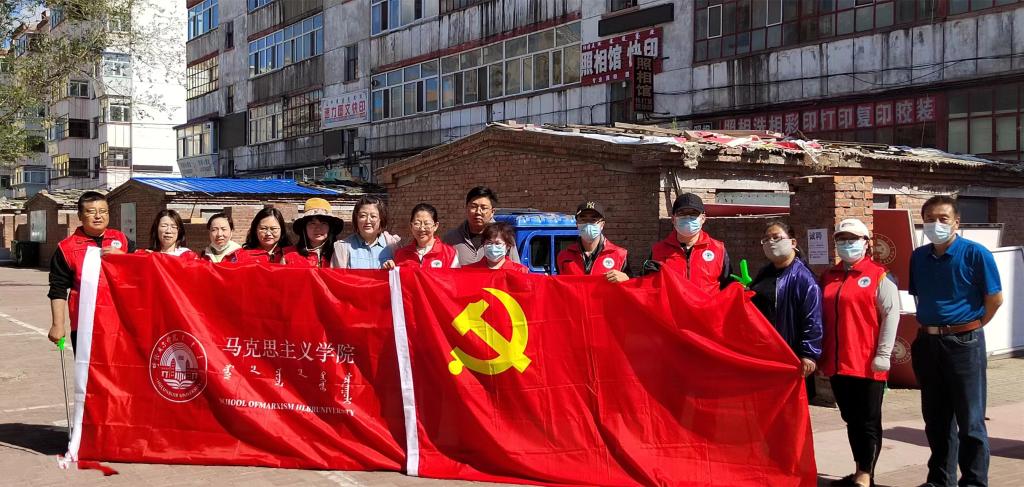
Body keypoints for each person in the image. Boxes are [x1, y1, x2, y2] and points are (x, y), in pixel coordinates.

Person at [909, 195, 1002, 487]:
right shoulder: (918, 257)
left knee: (970, 420)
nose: (935, 224)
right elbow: (921, 296)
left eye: (943, 218)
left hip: (964, 343)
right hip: (928, 343)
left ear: (956, 223)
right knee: (936, 419)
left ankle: (974, 482)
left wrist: (971, 327)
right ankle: (940, 480)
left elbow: (995, 299)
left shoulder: (976, 254)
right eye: (930, 219)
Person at [819, 219, 900, 487]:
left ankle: (865, 477)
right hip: (837, 362)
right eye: (841, 239)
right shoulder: (829, 276)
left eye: (852, 239)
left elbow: (891, 315)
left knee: (868, 421)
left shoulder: (879, 275)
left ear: (866, 243)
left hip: (867, 363)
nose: (847, 244)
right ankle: (859, 471)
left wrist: (884, 354)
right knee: (851, 420)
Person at [47, 191, 130, 351]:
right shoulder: (66, 248)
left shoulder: (122, 240)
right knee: (89, 366)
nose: (98, 216)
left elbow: (141, 269)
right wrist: (58, 324)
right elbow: (58, 288)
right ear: (80, 215)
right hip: (85, 324)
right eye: (91, 212)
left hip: (120, 322)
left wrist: (124, 257)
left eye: (103, 211)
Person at [746, 221, 822, 387]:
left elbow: (812, 319)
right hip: (764, 352)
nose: (771, 242)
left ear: (793, 242)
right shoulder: (764, 273)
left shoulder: (804, 278)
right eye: (766, 239)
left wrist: (808, 353)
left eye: (776, 237)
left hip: (790, 354)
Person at [647, 193, 732, 294]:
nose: (688, 217)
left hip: (707, 304)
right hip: (672, 305)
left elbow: (729, 289)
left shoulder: (718, 249)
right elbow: (647, 289)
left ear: (703, 218)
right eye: (682, 213)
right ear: (673, 219)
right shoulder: (658, 250)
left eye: (693, 213)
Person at [442, 186, 520, 265]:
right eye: (473, 207)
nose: (478, 212)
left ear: (492, 212)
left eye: (484, 208)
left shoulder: (505, 237)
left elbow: (515, 268)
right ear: (466, 208)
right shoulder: (451, 238)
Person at [556, 201, 630, 282]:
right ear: (577, 224)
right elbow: (559, 286)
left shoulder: (619, 255)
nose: (588, 224)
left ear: (602, 224)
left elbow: (632, 287)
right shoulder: (564, 256)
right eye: (583, 219)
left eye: (593, 220)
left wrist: (627, 280)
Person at [332, 196, 401, 269]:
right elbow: (337, 275)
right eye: (363, 216)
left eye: (373, 216)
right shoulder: (343, 247)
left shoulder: (393, 245)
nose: (368, 221)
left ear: (381, 219)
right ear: (356, 218)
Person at [393, 203, 460, 269]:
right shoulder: (401, 254)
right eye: (417, 223)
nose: (422, 229)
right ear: (411, 226)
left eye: (427, 223)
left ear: (435, 226)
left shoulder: (449, 254)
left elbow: (455, 276)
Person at [284, 198, 343, 268]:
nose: (318, 228)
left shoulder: (340, 253)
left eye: (323, 223)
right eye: (312, 223)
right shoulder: (288, 256)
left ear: (330, 228)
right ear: (304, 228)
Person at [463, 222, 528, 273]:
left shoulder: (519, 271)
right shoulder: (470, 271)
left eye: (497, 243)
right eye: (489, 243)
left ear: (508, 246)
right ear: (483, 244)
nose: (493, 247)